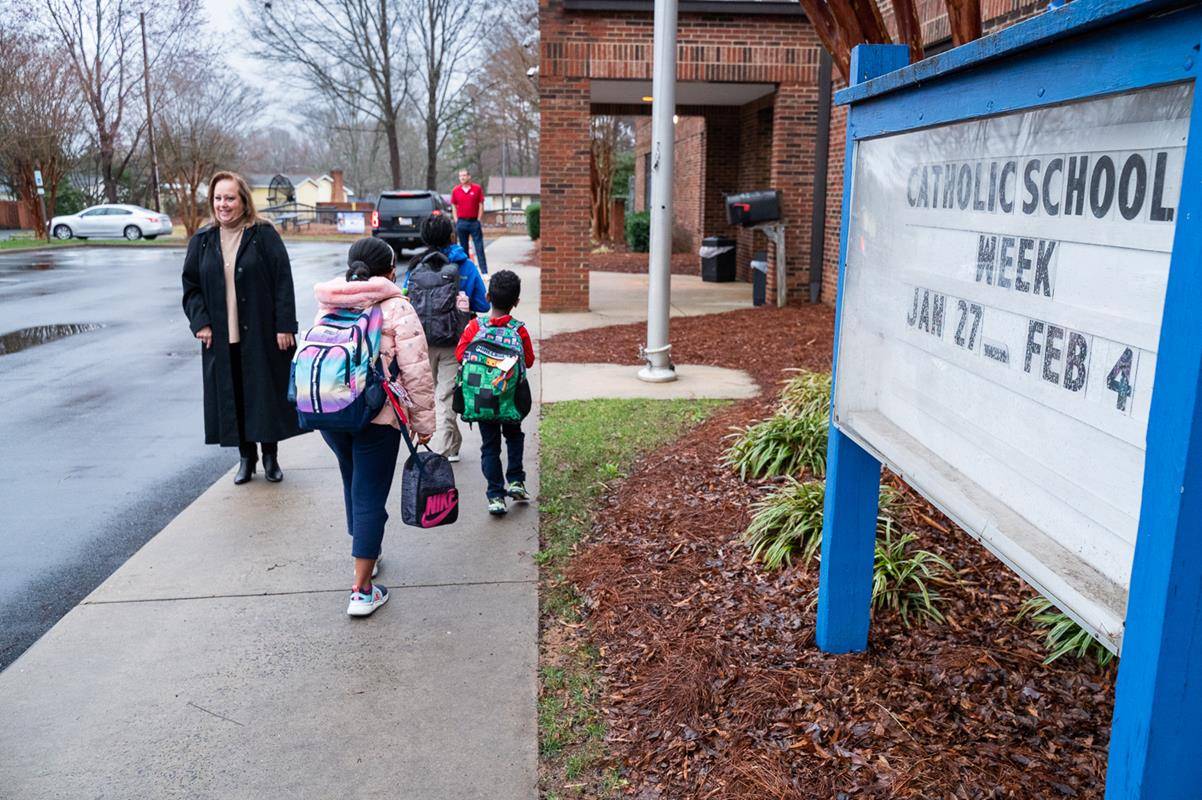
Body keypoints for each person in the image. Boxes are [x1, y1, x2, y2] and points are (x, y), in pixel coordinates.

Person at [313, 237, 436, 616]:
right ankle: (362, 590)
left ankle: (369, 553)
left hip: (331, 414)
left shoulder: (330, 299)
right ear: (390, 271)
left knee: (353, 483)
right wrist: (424, 423)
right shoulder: (397, 306)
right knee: (369, 494)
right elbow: (416, 372)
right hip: (376, 416)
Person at [182, 170, 302, 485]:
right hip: (221, 336)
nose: (224, 204)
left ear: (243, 200)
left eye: (230, 198)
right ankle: (245, 459)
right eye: (218, 198)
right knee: (233, 396)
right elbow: (191, 287)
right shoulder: (203, 241)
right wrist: (201, 323)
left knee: (264, 395)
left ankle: (270, 458)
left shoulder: (263, 235)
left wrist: (285, 325)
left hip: (262, 332)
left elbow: (282, 281)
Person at [402, 213, 489, 463]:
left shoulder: (416, 266)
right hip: (454, 340)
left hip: (422, 341)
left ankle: (442, 443)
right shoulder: (465, 265)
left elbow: (405, 301)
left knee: (426, 394)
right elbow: (482, 304)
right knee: (446, 396)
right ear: (451, 235)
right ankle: (445, 448)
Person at [455, 270, 535, 516]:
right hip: (510, 399)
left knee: (489, 446)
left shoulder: (474, 327)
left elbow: (461, 356)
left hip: (482, 399)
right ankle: (516, 481)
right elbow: (529, 361)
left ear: (488, 296)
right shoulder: (519, 331)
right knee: (514, 436)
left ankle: (495, 496)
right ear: (516, 302)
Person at [451, 168, 488, 275]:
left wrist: (478, 219)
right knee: (463, 249)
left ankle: (484, 272)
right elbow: (453, 205)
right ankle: (465, 273)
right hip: (461, 222)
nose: (462, 178)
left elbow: (481, 205)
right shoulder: (456, 190)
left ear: (469, 176)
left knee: (479, 247)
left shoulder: (477, 189)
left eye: (464, 175)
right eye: (460, 176)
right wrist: (456, 219)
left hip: (474, 222)